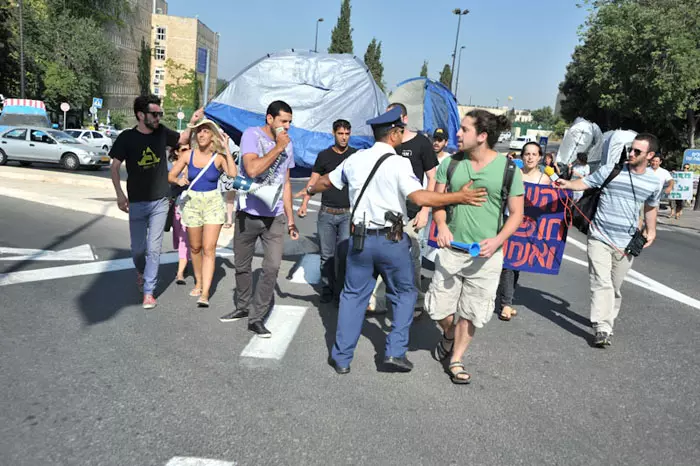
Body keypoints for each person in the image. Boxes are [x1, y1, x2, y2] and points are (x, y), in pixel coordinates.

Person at [305, 106, 488, 374]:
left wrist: (308, 189)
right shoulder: (399, 164)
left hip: (359, 241)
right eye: (401, 131)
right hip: (392, 241)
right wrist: (458, 197)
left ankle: (342, 358)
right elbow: (420, 198)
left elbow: (325, 183)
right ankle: (394, 352)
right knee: (404, 294)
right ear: (393, 134)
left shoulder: (355, 160)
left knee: (353, 296)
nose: (403, 135)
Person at [426, 110, 525, 384]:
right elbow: (438, 200)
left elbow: (516, 213)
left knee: (471, 313)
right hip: (451, 251)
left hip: (486, 257)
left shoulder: (508, 169)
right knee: (440, 310)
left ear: (482, 136)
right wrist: (442, 226)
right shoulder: (451, 164)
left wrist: (497, 241)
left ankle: (456, 358)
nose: (457, 133)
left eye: (464, 129)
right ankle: (448, 333)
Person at [556, 133, 662, 347]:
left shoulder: (653, 181)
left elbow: (651, 206)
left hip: (626, 242)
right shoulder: (610, 171)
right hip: (599, 237)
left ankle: (606, 320)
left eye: (637, 151)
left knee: (614, 285)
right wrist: (565, 183)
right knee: (600, 282)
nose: (631, 153)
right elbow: (584, 183)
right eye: (630, 149)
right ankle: (602, 327)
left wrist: (651, 230)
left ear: (650, 155)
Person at [109, 95, 201, 309]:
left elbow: (183, 140)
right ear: (141, 115)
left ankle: (149, 291)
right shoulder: (126, 138)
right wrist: (120, 195)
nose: (159, 117)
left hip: (161, 200)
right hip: (137, 202)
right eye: (155, 114)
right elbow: (114, 167)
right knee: (138, 250)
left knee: (154, 248)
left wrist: (193, 122)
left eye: (160, 113)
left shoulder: (161, 133)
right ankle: (141, 271)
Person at [218, 101, 299, 337]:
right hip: (248, 212)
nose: (287, 127)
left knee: (272, 267)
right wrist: (277, 148)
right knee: (242, 266)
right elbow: (251, 170)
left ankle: (257, 316)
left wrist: (291, 219)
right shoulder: (251, 135)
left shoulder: (288, 144)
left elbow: (286, 182)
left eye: (290, 123)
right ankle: (242, 307)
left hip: (274, 217)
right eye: (283, 121)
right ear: (269, 119)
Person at [368, 103, 438, 319]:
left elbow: (432, 177)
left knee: (412, 258)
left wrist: (425, 210)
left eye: (395, 116)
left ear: (404, 119)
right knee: (381, 256)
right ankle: (378, 301)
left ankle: (416, 302)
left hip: (412, 212)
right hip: (387, 211)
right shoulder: (385, 142)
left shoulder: (421, 143)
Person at [168, 119, 238, 307]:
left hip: (213, 203)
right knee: (195, 247)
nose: (201, 134)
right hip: (192, 203)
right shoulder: (187, 155)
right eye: (199, 131)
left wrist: (227, 149)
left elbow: (232, 174)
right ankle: (198, 282)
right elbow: (171, 175)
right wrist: (179, 181)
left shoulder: (219, 157)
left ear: (212, 135)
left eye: (206, 131)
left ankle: (205, 292)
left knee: (209, 248)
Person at [296, 119, 356, 303]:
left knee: (344, 255)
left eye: (347, 134)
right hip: (327, 213)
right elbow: (313, 182)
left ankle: (341, 291)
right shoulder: (324, 156)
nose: (344, 137)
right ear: (333, 133)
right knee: (327, 255)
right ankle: (328, 288)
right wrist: (305, 203)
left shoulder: (355, 156)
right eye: (340, 133)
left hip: (347, 214)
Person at [496, 141, 549, 321]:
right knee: (507, 264)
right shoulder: (514, 175)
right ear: (522, 156)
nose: (530, 157)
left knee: (516, 264)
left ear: (540, 157)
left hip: (529, 226)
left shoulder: (545, 180)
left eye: (534, 154)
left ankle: (506, 298)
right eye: (527, 154)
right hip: (508, 220)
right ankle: (506, 303)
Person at [168, 143, 191, 285]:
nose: (187, 151)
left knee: (184, 239)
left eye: (189, 149)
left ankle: (180, 273)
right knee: (178, 238)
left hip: (190, 207)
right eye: (184, 149)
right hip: (175, 206)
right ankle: (185, 259)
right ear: (176, 152)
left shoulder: (194, 164)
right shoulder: (171, 166)